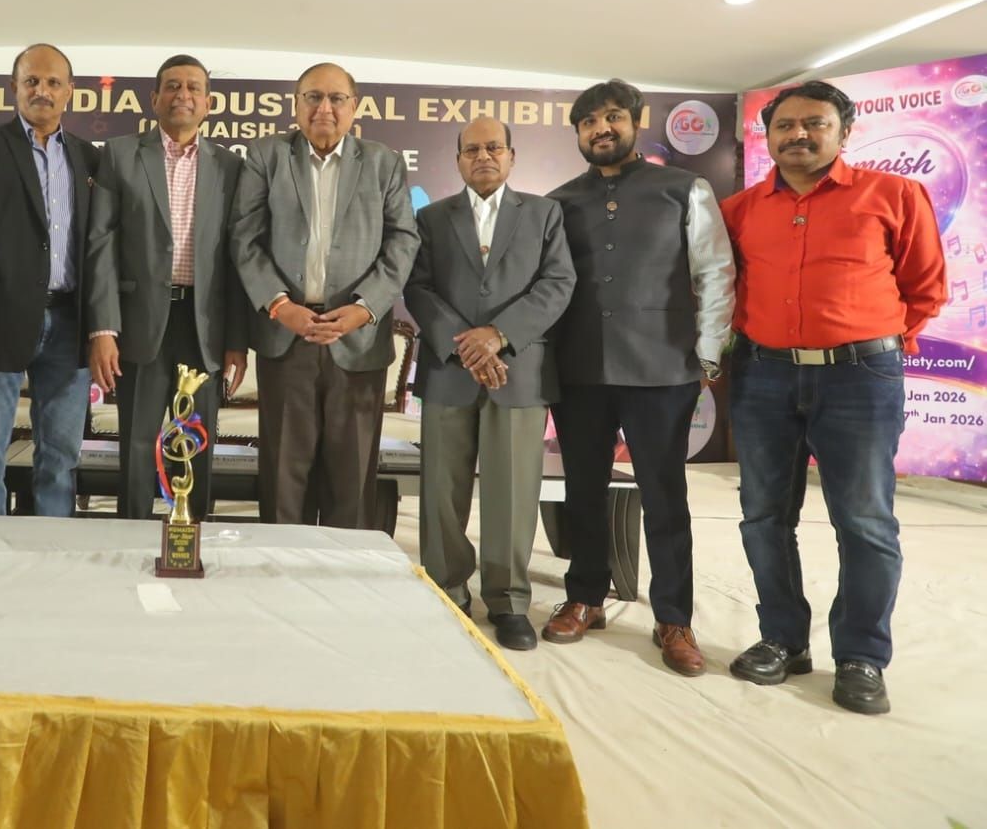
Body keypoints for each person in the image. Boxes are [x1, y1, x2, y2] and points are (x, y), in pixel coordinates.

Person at [722, 79, 945, 714]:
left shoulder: (894, 195)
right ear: (768, 136)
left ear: (844, 132)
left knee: (865, 520)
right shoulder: (740, 210)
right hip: (763, 375)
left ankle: (861, 656)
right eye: (785, 125)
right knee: (764, 515)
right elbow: (725, 288)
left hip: (860, 378)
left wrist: (872, 343)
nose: (798, 134)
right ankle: (783, 639)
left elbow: (925, 287)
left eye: (814, 123)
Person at [541, 78, 734, 676]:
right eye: (588, 122)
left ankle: (673, 617)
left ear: (634, 122)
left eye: (612, 117)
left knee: (664, 495)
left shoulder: (683, 188)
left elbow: (715, 271)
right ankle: (585, 597)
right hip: (580, 370)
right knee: (583, 490)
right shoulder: (558, 202)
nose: (601, 129)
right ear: (578, 134)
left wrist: (707, 354)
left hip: (662, 368)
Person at [403, 116, 575, 650]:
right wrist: (468, 344)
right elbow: (417, 288)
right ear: (457, 160)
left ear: (511, 156)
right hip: (449, 370)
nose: (483, 156)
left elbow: (558, 282)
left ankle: (508, 601)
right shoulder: (432, 218)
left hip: (518, 372)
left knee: (513, 492)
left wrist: (499, 335)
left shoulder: (544, 213)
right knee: (441, 492)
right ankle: (446, 589)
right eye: (472, 149)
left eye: (493, 148)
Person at [230, 62, 419, 528]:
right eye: (313, 97)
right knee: (284, 480)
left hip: (357, 340)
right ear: (296, 105)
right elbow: (245, 238)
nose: (324, 108)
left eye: (336, 98)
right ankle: (281, 567)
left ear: (355, 107)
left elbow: (403, 241)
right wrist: (279, 305)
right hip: (286, 337)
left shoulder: (384, 162)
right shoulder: (267, 156)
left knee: (351, 482)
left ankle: (341, 570)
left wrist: (364, 308)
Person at [0, 44, 101, 531]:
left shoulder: (89, 158)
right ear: (14, 88)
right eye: (31, 81)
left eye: (53, 82)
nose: (41, 91)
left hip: (70, 322)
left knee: (62, 453)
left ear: (70, 92)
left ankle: (49, 548)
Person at [86, 54, 249, 520]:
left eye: (194, 87)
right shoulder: (120, 154)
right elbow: (101, 244)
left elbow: (238, 258)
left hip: (204, 324)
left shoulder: (230, 167)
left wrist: (237, 341)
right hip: (139, 321)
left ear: (209, 103)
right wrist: (103, 329)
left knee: (195, 441)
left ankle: (189, 539)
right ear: (154, 98)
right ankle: (131, 535)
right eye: (173, 86)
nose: (183, 95)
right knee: (137, 444)